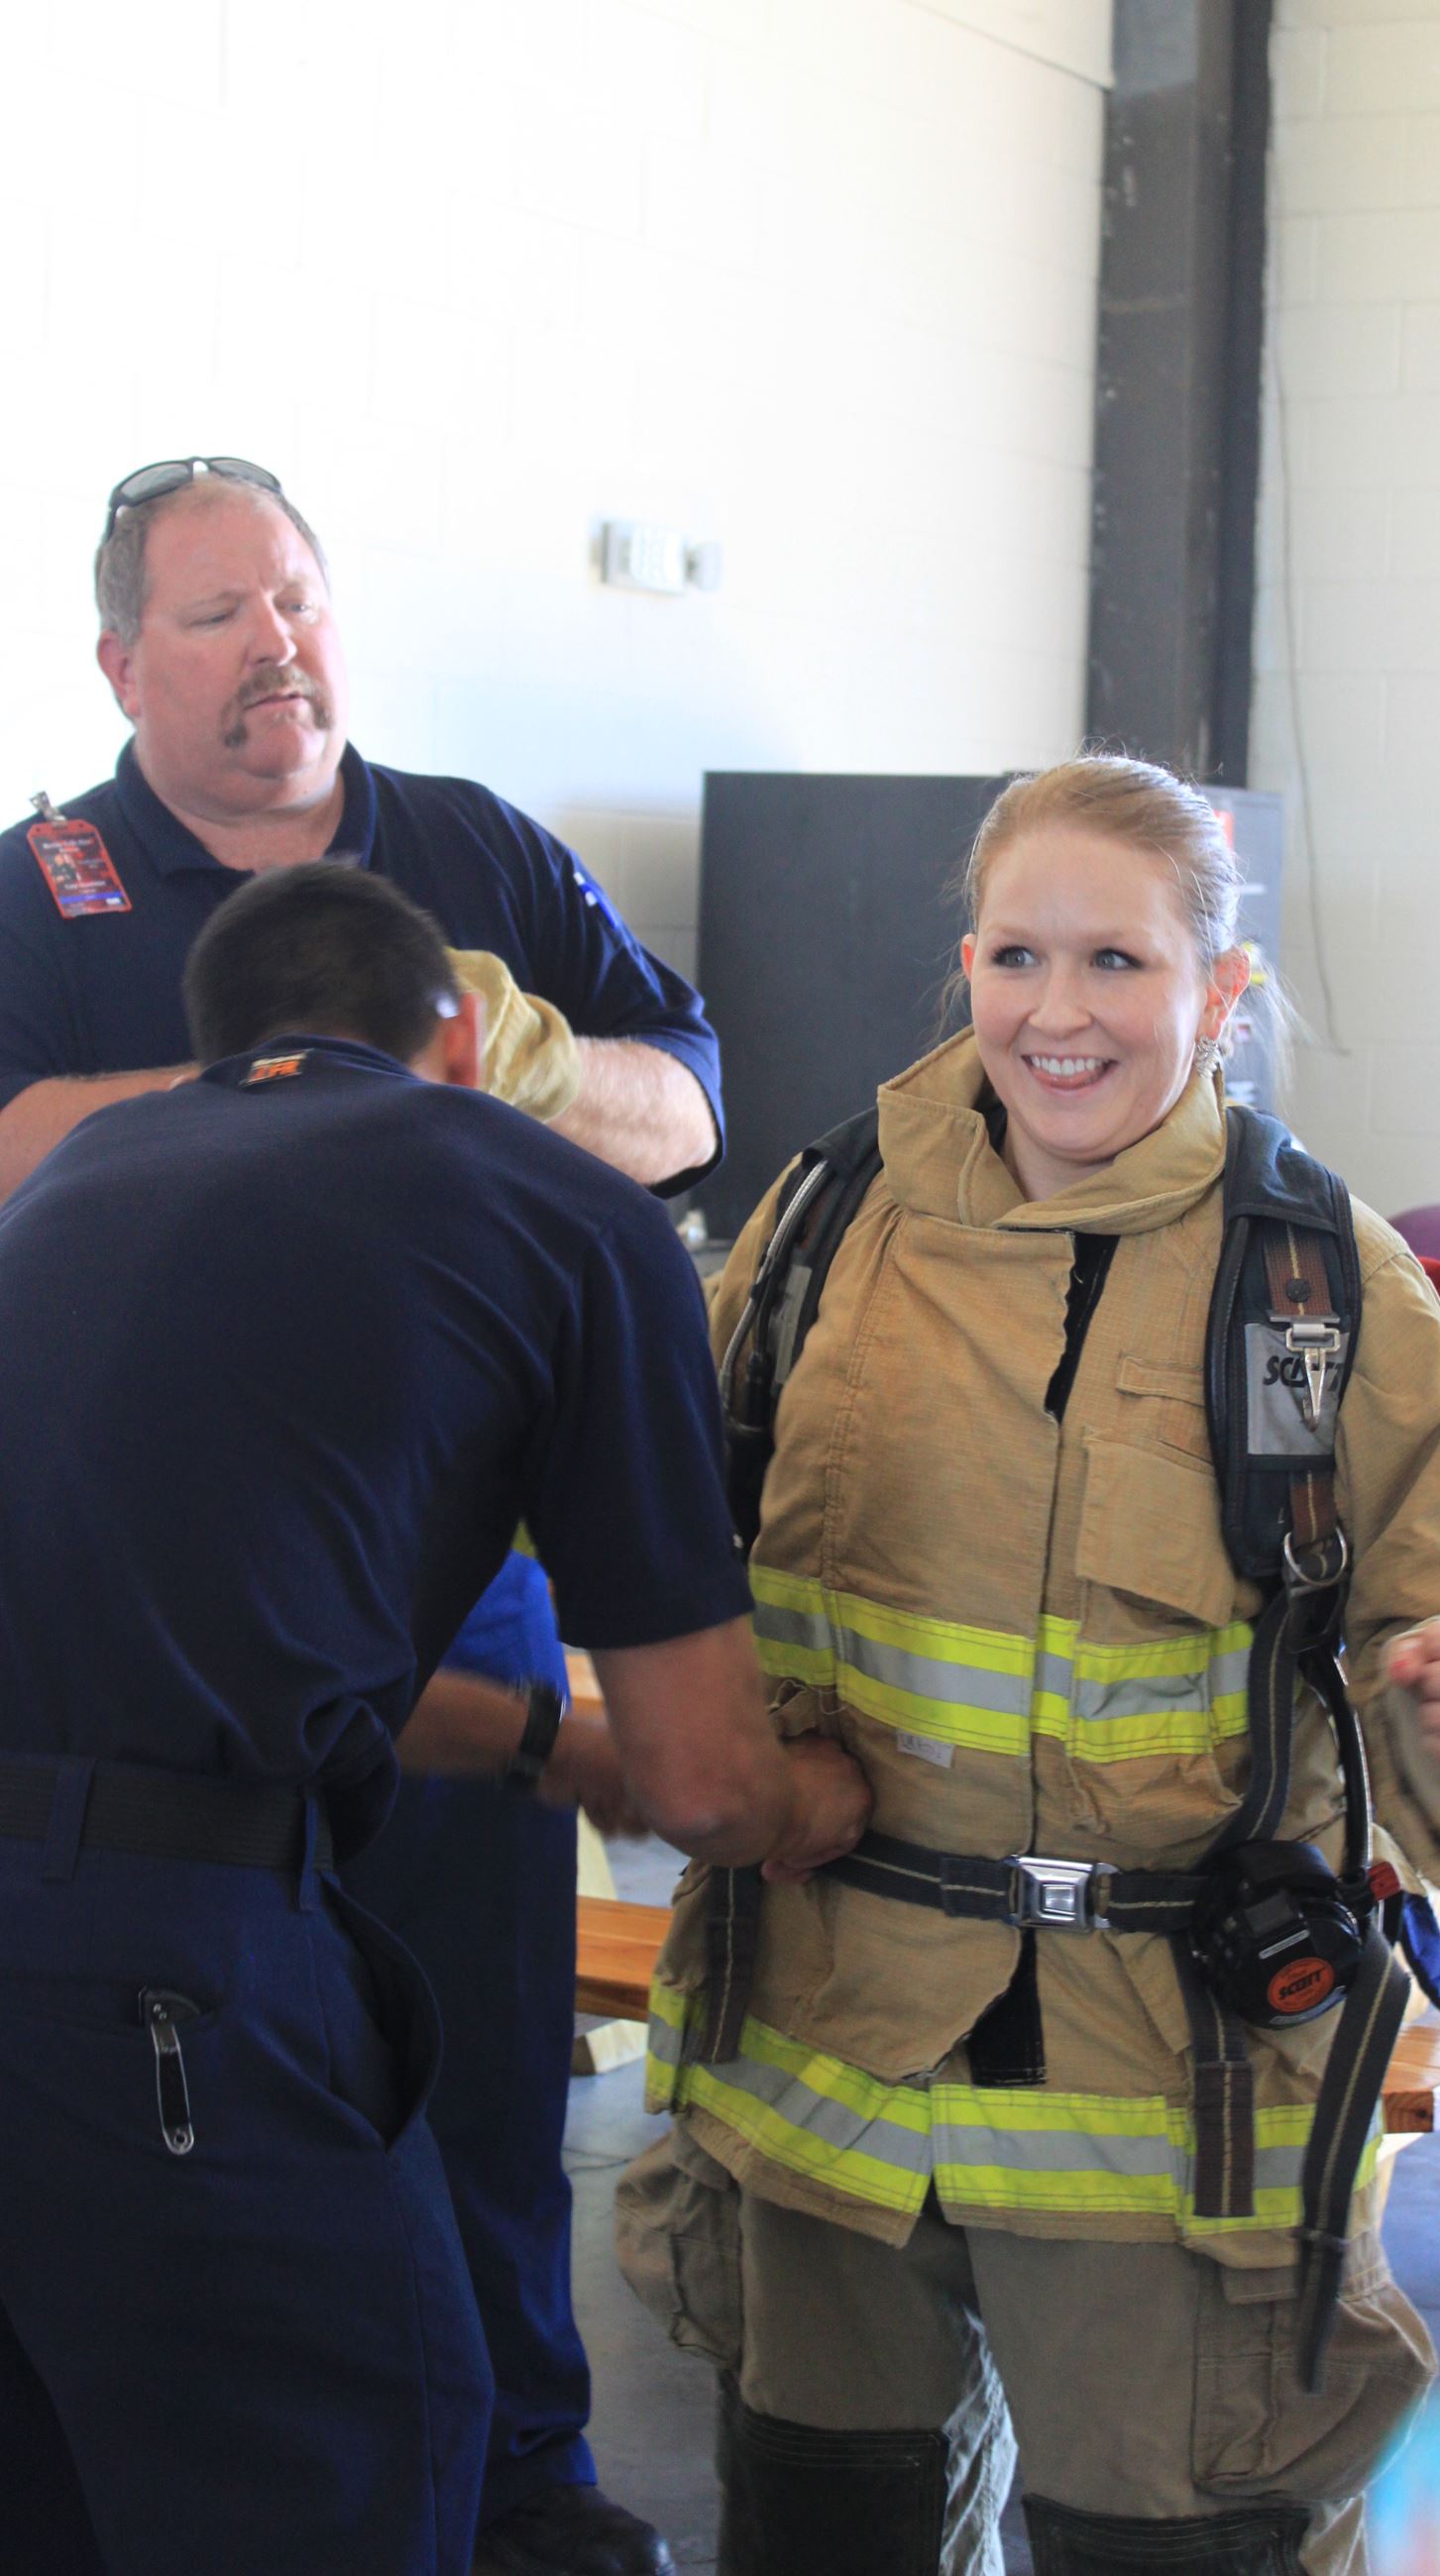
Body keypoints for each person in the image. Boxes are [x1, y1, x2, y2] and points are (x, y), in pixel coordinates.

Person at [624, 758, 1440, 2576]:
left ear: (1218, 997)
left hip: (1161, 2100)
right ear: (966, 965)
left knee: (1163, 2544)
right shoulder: (823, 1227)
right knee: (818, 2528)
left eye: (1118, 964)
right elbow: (644, 1505)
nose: (1057, 1014)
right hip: (820, 2058)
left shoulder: (1319, 1287)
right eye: (1019, 957)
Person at [0, 456, 721, 2576]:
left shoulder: (478, 844)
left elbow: (680, 1100)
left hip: (448, 1577)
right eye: (217, 616)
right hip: (132, 1618)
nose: (274, 649)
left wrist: (520, 1068)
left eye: (297, 601)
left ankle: (514, 2462)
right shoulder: (50, 890)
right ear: (124, 657)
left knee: (484, 2046)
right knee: (169, 2072)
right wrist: (327, 1092)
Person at [0, 861, 870, 2576]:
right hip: (184, 1973)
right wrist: (807, 1800)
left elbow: (246, 1636)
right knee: (363, 2467)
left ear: (213, 1052)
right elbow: (707, 1782)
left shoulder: (81, 1181)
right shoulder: (567, 1210)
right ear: (468, 1034)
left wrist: (560, 1752)